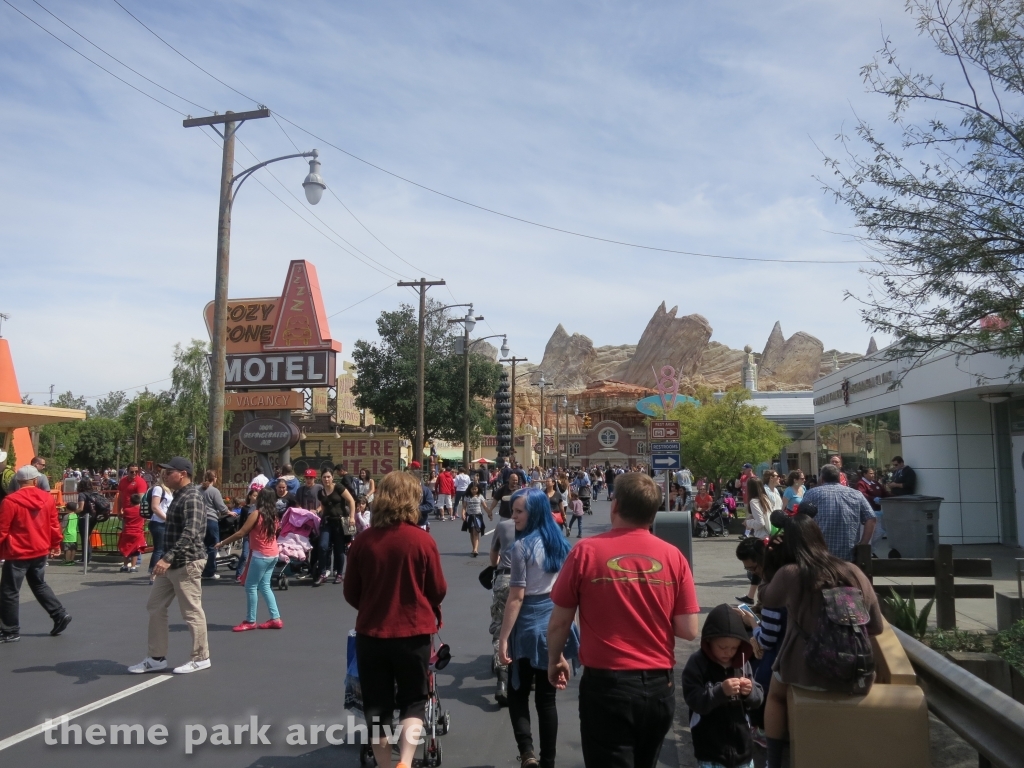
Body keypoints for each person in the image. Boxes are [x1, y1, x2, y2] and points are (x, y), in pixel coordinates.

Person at [547, 471, 700, 768]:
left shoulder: (586, 551)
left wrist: (555, 660)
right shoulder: (673, 556)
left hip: (608, 685)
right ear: (653, 513)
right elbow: (689, 629)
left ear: (614, 506)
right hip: (659, 686)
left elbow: (559, 623)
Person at [760, 513, 884, 768]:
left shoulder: (791, 573)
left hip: (806, 672)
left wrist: (769, 561)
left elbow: (765, 598)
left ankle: (773, 761)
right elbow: (876, 627)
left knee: (774, 696)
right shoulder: (853, 571)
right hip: (856, 673)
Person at [344, 471, 448, 768]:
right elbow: (438, 589)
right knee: (413, 702)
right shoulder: (422, 540)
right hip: (413, 633)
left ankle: (385, 765)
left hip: (372, 633)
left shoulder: (363, 542)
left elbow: (351, 592)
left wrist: (372, 605)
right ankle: (404, 760)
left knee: (377, 709)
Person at [498, 488, 579, 768]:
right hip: (555, 626)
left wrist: (503, 638)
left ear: (534, 514)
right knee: (547, 700)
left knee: (518, 692)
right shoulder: (561, 544)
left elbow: (516, 597)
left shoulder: (522, 547)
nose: (513, 516)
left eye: (519, 511)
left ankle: (527, 752)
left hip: (528, 625)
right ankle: (548, 761)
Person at [129, 457, 211, 675]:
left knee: (191, 611)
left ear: (182, 474)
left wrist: (167, 557)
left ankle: (201, 657)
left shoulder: (192, 496)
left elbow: (191, 532)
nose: (164, 475)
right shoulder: (178, 495)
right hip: (172, 560)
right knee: (155, 606)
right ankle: (156, 657)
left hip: (187, 561)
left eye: (169, 472)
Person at [682, 604, 763, 768]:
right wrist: (720, 692)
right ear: (709, 641)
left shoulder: (742, 663)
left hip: (743, 749)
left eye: (733, 648)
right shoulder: (698, 663)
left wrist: (750, 691)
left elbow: (758, 699)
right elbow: (695, 701)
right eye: (722, 647)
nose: (728, 652)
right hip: (711, 750)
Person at [0, 465, 71, 642]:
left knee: (9, 591)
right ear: (36, 480)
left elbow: (2, 529)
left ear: (18, 481)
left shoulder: (10, 501)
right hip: (40, 549)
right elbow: (54, 524)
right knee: (39, 584)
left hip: (17, 551)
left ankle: (10, 630)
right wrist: (55, 544)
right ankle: (59, 614)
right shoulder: (47, 499)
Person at [218, 487, 283, 631]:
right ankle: (275, 618)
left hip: (261, 555)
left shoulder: (256, 514)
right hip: (273, 553)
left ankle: (250, 620)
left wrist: (222, 543)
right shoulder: (274, 515)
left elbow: (241, 533)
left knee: (250, 586)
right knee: (265, 586)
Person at [801, 464, 876, 561]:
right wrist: (863, 543)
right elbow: (871, 518)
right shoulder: (856, 494)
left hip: (820, 555)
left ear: (822, 478)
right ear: (839, 478)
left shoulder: (812, 494)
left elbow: (801, 518)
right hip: (848, 555)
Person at [488, 484, 519, 706]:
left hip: (504, 577)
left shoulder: (502, 526)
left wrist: (496, 566)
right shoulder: (534, 526)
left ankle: (501, 679)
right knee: (524, 625)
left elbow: (493, 555)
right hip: (528, 582)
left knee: (501, 628)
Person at [317, 469, 355, 585]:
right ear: (321, 478)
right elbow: (323, 506)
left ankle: (339, 574)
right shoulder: (321, 492)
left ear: (332, 477)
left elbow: (351, 501)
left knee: (339, 550)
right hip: (327, 522)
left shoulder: (339, 487)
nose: (326, 479)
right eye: (324, 477)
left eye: (328, 477)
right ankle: (322, 573)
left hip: (339, 522)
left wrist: (352, 517)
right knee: (323, 546)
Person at [198, 470, 228, 580]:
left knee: (200, 546)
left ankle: (198, 569)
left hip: (198, 520)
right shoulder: (214, 491)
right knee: (212, 546)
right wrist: (229, 512)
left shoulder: (196, 489)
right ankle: (209, 571)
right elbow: (221, 507)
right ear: (214, 478)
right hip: (210, 520)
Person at [118, 493, 147, 573]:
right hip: (137, 532)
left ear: (130, 501)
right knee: (135, 550)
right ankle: (133, 567)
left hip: (127, 531)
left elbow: (123, 518)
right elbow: (145, 519)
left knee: (126, 549)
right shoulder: (141, 510)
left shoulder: (127, 510)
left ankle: (125, 566)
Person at [460, 482, 486, 556]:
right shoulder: (467, 496)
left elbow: (484, 506)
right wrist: (463, 513)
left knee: (476, 531)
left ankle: (475, 549)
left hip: (478, 516)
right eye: (472, 489)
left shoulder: (480, 496)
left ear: (478, 489)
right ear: (470, 489)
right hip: (470, 516)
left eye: (475, 489)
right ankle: (474, 548)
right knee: (471, 532)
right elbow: (464, 506)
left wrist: (489, 513)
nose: (474, 490)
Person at [744, 477, 772, 541]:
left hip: (762, 536)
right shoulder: (765, 498)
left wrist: (747, 522)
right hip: (770, 533)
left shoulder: (754, 501)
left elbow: (760, 523)